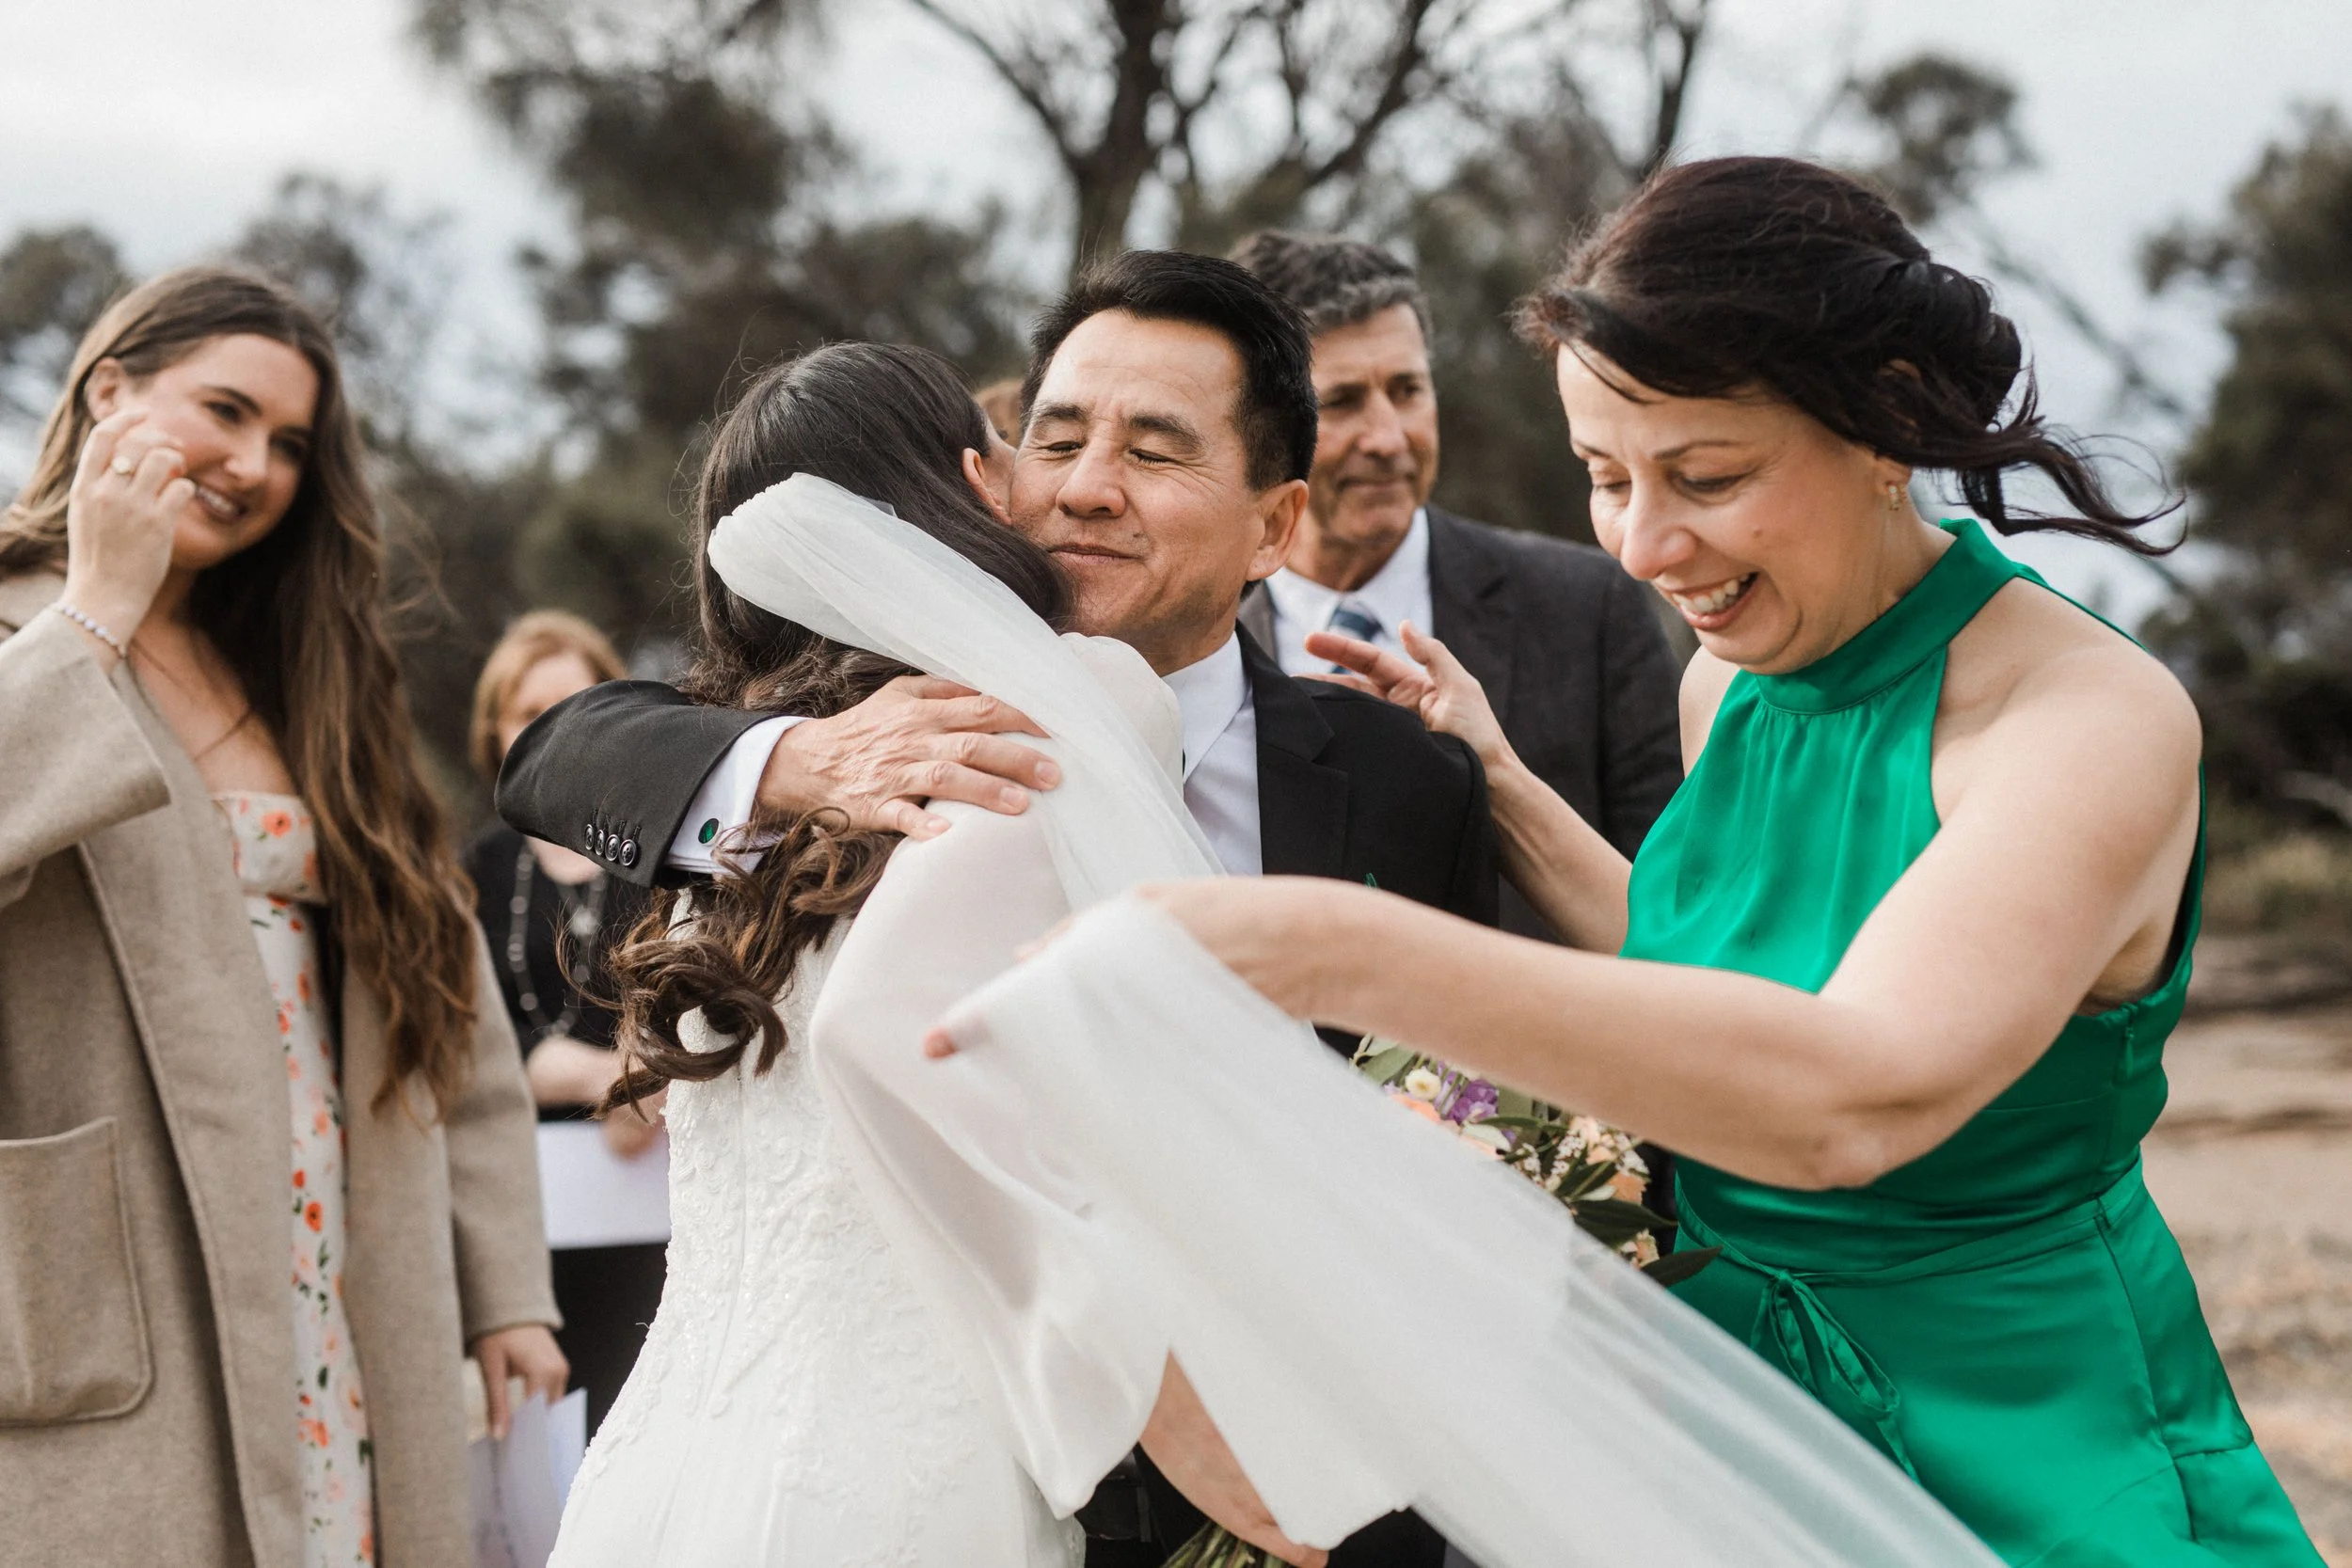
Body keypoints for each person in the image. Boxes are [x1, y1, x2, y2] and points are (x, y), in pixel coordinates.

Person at [548, 341, 2004, 1568]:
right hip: (917, 1474)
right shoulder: (1043, 699)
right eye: (1024, 443)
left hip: (672, 1463)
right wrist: (1147, 1388)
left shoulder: (741, 830)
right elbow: (887, 1031)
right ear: (969, 485)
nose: (1060, 480)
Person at [1131, 158, 2326, 1566]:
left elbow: (1850, 1093)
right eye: (1601, 477)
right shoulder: (1730, 684)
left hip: (2015, 1439)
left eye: (1706, 476)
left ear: (1885, 418)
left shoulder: (2088, 720)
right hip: (1722, 1423)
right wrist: (1500, 780)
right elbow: (1716, 965)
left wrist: (1333, 949)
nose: (1644, 543)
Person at [500, 252, 1498, 1564]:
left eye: (1153, 447)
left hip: (1251, 1488)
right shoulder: (762, 756)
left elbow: (1456, 1112)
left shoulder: (1405, 779)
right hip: (952, 1473)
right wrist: (798, 760)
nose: (1086, 483)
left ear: (1274, 523)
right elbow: (556, 758)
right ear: (987, 477)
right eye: (1057, 434)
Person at [0, 266, 563, 1567]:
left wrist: (504, 1285)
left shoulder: (302, 670)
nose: (253, 462)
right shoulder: (31, 627)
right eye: (225, 410)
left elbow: (451, 1000)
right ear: (109, 392)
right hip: (128, 1284)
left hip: (349, 1275)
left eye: (291, 444)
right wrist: (97, 604)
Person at [1229, 230, 1684, 916]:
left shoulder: (1587, 606)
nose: (1389, 438)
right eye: (1344, 401)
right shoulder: (1195, 640)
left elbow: (1685, 896)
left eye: (1407, 389)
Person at [464, 610, 661, 1435]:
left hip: (664, 1202)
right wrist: (601, 1078)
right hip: (536, 1215)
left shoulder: (671, 851)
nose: (551, 726)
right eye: (527, 708)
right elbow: (471, 1042)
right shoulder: (475, 870)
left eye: (578, 701)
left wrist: (653, 1076)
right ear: (496, 732)